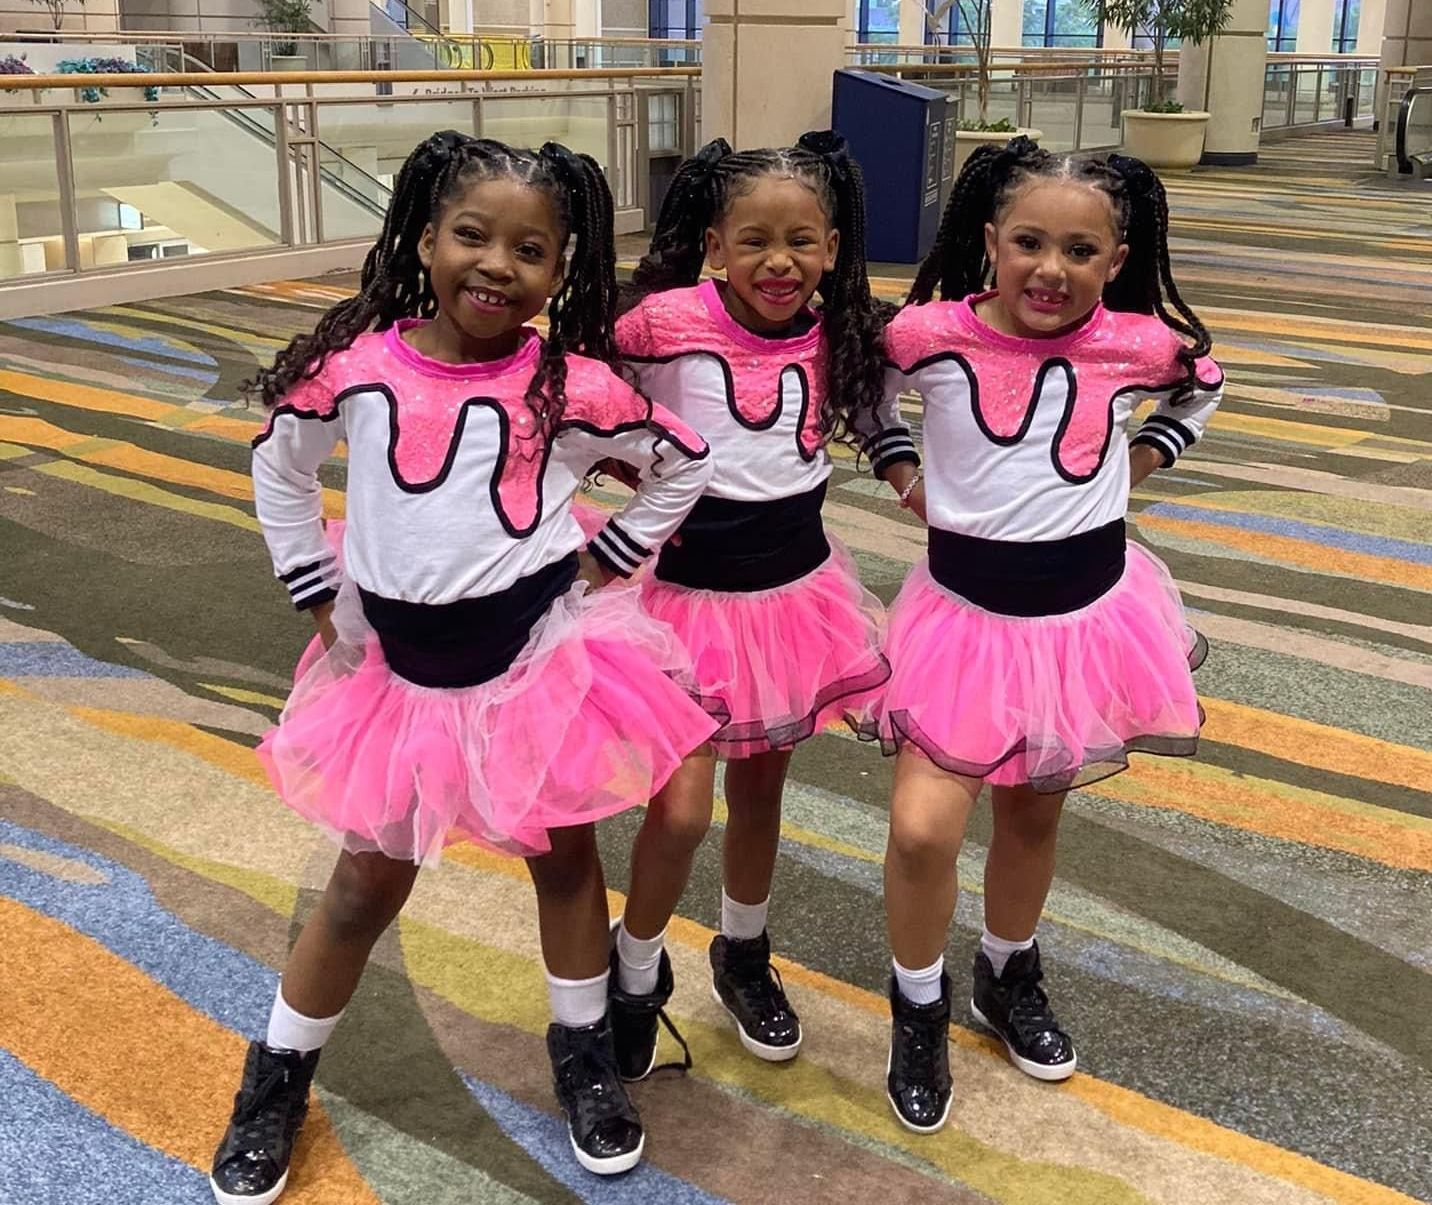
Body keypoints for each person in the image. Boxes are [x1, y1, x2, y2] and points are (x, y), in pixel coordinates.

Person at [210, 131, 718, 1204]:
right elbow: (279, 465)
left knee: (564, 860)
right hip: (399, 677)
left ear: (559, 269)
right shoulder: (353, 366)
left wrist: (612, 556)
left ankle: (581, 1054)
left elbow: (682, 461)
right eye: (471, 236)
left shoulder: (567, 382)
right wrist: (312, 585)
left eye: (530, 250)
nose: (497, 265)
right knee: (359, 885)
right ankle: (277, 1075)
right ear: (424, 238)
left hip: (537, 659)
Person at [873, 138, 1223, 1133]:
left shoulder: (1137, 341)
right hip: (963, 622)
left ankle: (1005, 969)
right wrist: (904, 475)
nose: (1050, 269)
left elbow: (1203, 381)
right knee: (920, 826)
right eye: (1029, 242)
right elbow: (862, 395)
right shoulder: (927, 334)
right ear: (990, 242)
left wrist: (1142, 460)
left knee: (1031, 813)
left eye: (1079, 250)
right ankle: (917, 1001)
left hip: (1085, 619)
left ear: (1115, 261)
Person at [602, 132, 917, 1080]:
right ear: (713, 245)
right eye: (754, 240)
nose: (778, 262)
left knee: (765, 785)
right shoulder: (660, 324)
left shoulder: (840, 334)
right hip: (686, 600)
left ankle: (742, 950)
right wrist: (632, 469)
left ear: (831, 247)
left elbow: (878, 411)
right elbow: (583, 399)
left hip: (795, 596)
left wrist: (917, 486)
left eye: (802, 241)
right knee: (683, 806)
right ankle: (634, 969)